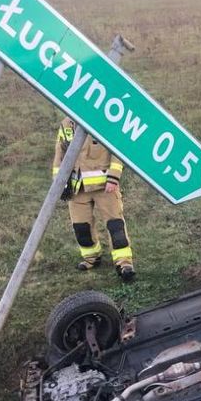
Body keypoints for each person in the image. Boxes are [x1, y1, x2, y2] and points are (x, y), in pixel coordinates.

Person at [53, 117, 135, 282]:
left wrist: (113, 177)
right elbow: (59, 153)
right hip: (77, 188)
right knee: (81, 227)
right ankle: (91, 258)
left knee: (115, 226)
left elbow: (117, 149)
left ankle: (124, 263)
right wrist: (59, 182)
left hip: (105, 186)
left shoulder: (102, 118)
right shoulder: (66, 125)